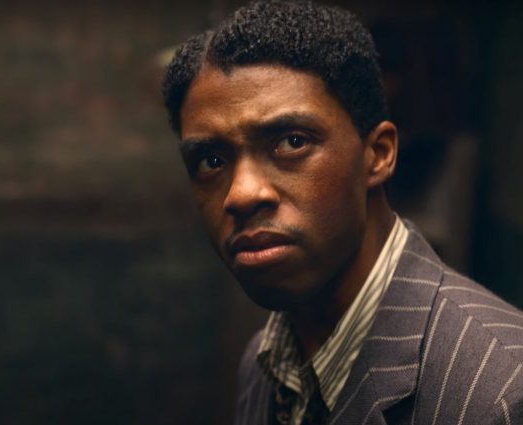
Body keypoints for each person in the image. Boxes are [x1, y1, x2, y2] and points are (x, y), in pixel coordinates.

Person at [160, 1, 523, 424]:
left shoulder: (501, 395)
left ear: (378, 155)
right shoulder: (266, 361)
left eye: (292, 142)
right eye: (211, 161)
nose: (240, 194)